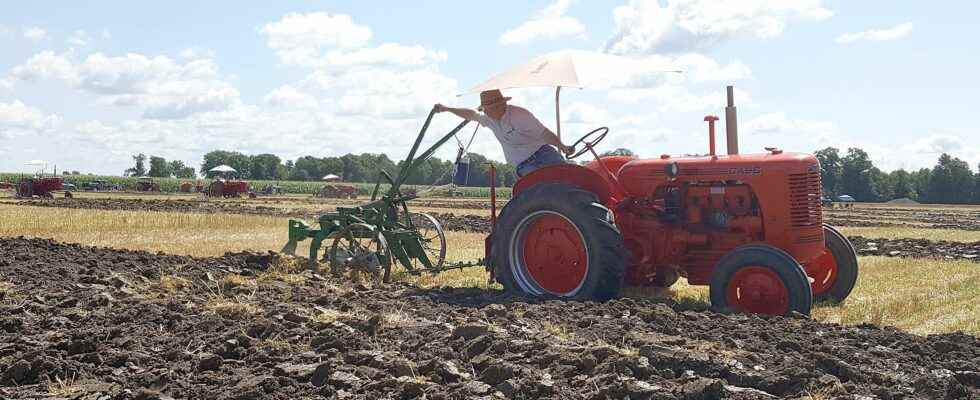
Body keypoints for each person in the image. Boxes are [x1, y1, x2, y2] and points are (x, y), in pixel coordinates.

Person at [435, 89, 574, 177]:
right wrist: (447, 108)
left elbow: (544, 133)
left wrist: (562, 146)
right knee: (539, 192)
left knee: (567, 179)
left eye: (488, 109)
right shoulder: (488, 119)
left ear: (500, 105)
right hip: (524, 166)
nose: (485, 112)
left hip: (544, 155)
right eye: (485, 109)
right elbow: (470, 114)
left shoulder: (520, 115)